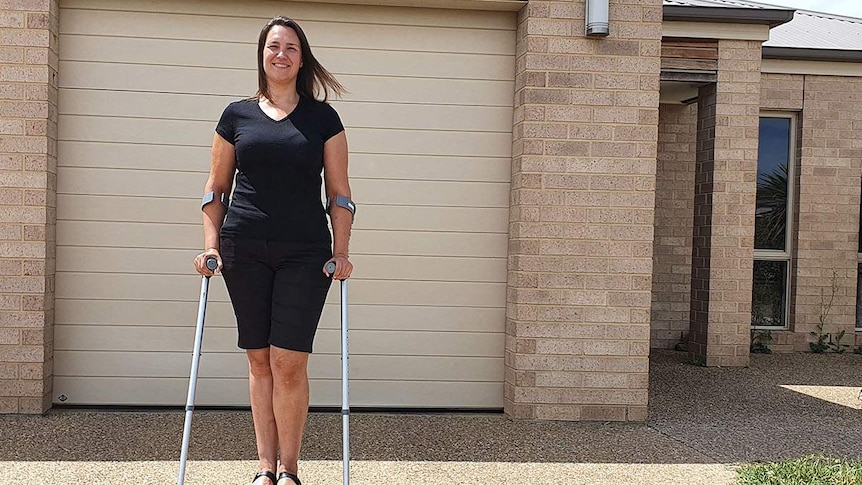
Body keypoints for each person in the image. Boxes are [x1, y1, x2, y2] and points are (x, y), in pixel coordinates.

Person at [193, 16, 354, 485]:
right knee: (259, 358)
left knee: (289, 360)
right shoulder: (235, 116)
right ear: (261, 54)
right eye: (273, 46)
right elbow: (215, 189)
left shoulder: (323, 118)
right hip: (244, 247)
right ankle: (265, 467)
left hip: (305, 252)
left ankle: (290, 469)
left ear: (302, 59)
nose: (281, 54)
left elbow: (340, 193)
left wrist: (341, 252)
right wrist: (210, 246)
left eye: (291, 48)